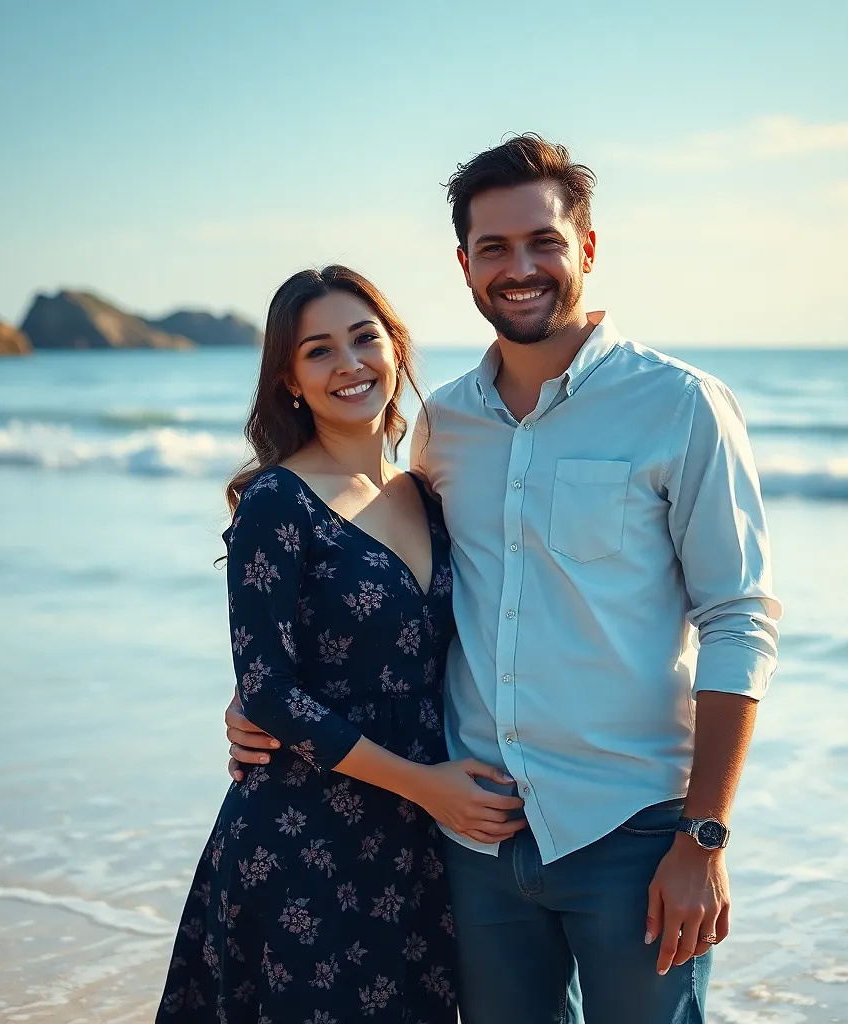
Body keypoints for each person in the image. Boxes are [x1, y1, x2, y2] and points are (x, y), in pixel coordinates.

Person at [226, 135, 783, 1024]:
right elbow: (397, 603)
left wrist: (703, 837)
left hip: (630, 835)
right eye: (495, 248)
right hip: (471, 840)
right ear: (465, 265)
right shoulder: (444, 427)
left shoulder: (681, 406)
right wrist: (269, 704)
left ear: (587, 250)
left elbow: (739, 619)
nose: (520, 267)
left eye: (543, 242)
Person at [157, 265, 527, 1024]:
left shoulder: (427, 492)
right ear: (290, 381)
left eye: (365, 338)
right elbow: (267, 690)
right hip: (304, 842)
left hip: (417, 848)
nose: (350, 364)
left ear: (397, 347)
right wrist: (428, 785)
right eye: (318, 351)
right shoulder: (275, 502)